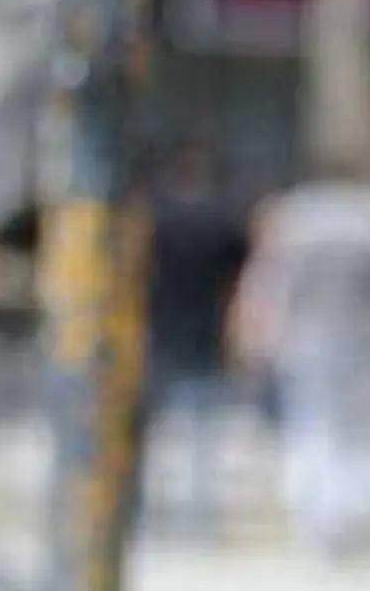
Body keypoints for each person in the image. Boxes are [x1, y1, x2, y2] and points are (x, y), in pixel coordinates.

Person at [231, 156, 370, 559]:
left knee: (312, 425)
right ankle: (351, 514)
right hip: (362, 340)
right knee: (356, 431)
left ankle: (320, 518)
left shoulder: (294, 219)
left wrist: (255, 338)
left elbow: (268, 285)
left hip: (304, 341)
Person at [132, 142, 250, 538]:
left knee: (148, 430)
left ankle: (142, 511)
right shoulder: (222, 223)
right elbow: (238, 283)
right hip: (205, 332)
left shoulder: (156, 222)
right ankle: (199, 521)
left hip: (159, 331)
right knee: (202, 434)